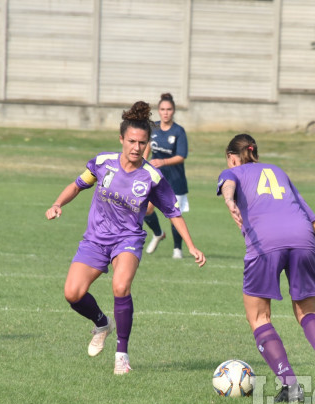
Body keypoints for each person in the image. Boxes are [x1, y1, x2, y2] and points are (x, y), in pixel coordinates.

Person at [45, 101, 206, 375]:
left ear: (148, 144)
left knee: (121, 286)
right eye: (131, 141)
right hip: (95, 239)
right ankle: (102, 323)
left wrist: (191, 246)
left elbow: (173, 213)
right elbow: (78, 184)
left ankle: (122, 355)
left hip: (127, 240)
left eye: (142, 143)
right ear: (121, 139)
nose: (136, 147)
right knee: (72, 293)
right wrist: (58, 203)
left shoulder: (152, 177)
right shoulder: (101, 163)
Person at [216, 134, 315, 403]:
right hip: (302, 238)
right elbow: (314, 221)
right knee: (306, 312)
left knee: (259, 318)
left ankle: (290, 384)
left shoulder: (232, 171)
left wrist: (229, 200)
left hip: (266, 243)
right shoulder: (278, 171)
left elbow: (229, 183)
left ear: (232, 156)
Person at [143, 93, 190, 259]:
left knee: (174, 215)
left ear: (174, 111)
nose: (165, 112)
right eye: (162, 109)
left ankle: (177, 249)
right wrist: (141, 163)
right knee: (146, 209)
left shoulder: (178, 131)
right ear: (159, 111)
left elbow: (181, 156)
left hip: (175, 181)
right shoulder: (153, 128)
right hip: (155, 178)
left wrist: (162, 162)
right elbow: (147, 148)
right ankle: (158, 233)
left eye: (169, 109)